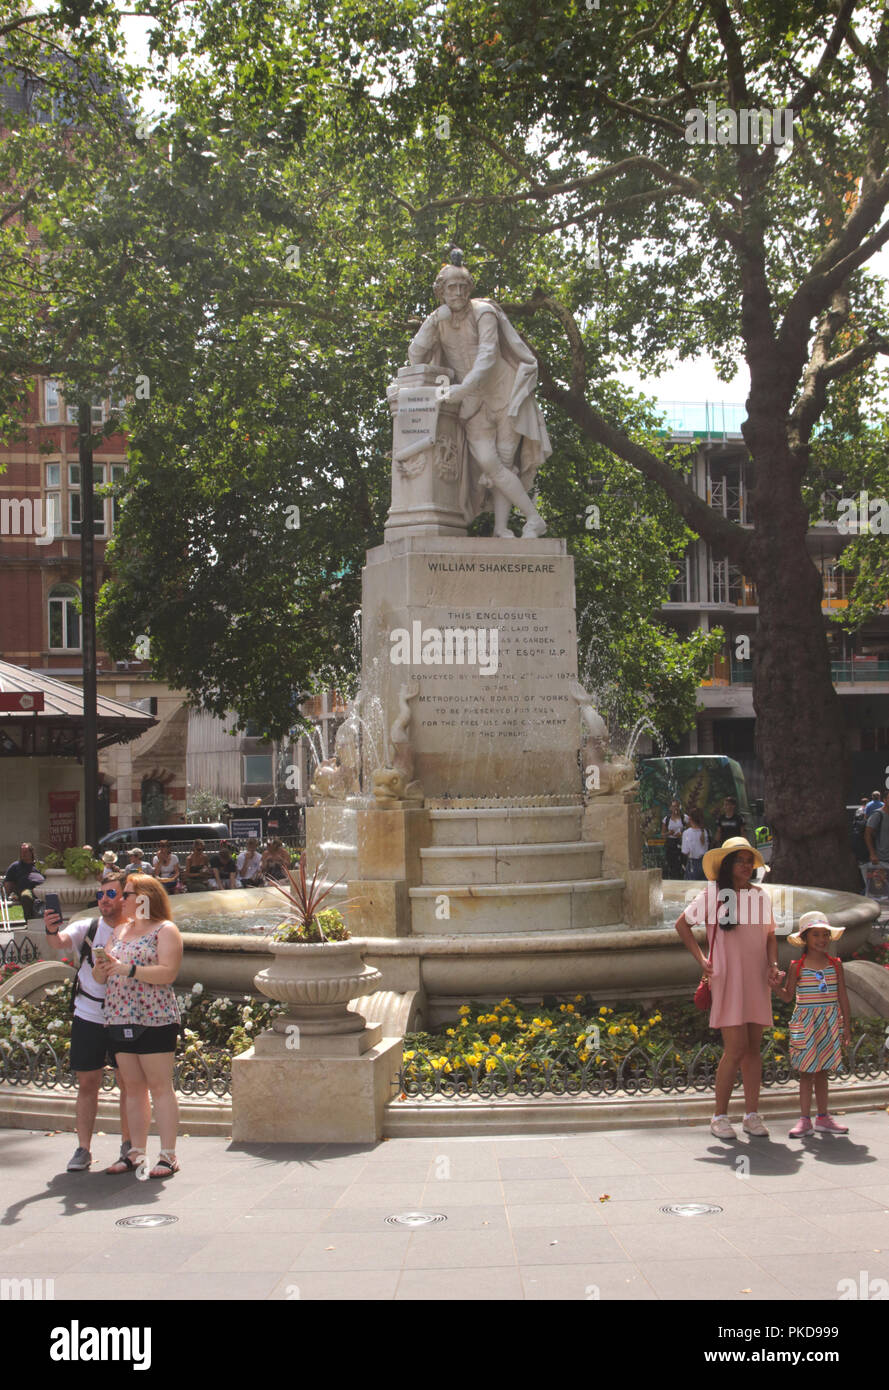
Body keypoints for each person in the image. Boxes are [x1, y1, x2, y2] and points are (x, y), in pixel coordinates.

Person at [405, 252, 551, 538]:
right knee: (489, 462)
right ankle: (533, 518)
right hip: (472, 405)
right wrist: (432, 322)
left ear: (469, 289)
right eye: (451, 288)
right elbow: (414, 355)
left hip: (505, 395)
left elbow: (487, 356)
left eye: (462, 287)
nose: (458, 293)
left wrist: (462, 389)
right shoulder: (440, 320)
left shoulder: (484, 312)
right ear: (441, 292)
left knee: (505, 462)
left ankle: (500, 528)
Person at [673, 836, 783, 1140]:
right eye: (740, 860)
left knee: (752, 1050)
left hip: (757, 978)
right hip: (727, 978)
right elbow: (682, 924)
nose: (746, 866)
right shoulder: (714, 894)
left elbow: (770, 936)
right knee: (734, 1049)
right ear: (727, 864)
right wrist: (702, 959)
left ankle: (751, 1115)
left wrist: (773, 965)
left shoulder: (760, 896)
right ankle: (719, 1116)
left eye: (750, 861)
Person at [92, 874, 183, 1178]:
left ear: (145, 898)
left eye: (127, 894)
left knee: (159, 1086)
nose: (122, 900)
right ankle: (135, 1152)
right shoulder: (119, 931)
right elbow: (100, 977)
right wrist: (101, 968)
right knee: (132, 1087)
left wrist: (127, 969)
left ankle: (168, 1155)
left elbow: (167, 973)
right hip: (119, 1015)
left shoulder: (165, 930)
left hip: (154, 1017)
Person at [42, 876, 131, 1172]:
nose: (103, 898)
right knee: (87, 1083)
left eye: (110, 893)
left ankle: (129, 1145)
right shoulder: (88, 927)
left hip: (123, 1016)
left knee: (127, 1083)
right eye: (100, 893)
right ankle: (83, 1148)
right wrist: (51, 928)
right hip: (88, 1014)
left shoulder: (134, 930)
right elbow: (59, 942)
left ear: (123, 897)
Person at [776, 910, 851, 1136]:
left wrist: (847, 1025)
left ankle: (823, 1117)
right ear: (805, 938)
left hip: (828, 1023)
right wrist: (773, 986)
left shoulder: (835, 965)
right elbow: (788, 996)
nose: (822, 939)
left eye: (825, 934)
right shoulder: (797, 967)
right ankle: (804, 1118)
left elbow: (843, 996)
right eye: (816, 934)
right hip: (806, 1024)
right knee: (806, 1072)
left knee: (823, 1071)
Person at [3, 842, 45, 919]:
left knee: (51, 896)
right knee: (26, 896)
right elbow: (8, 882)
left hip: (42, 890)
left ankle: (46, 920)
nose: (23, 854)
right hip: (26, 890)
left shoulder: (40, 865)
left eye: (25, 852)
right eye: (21, 852)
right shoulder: (15, 866)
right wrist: (7, 894)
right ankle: (30, 921)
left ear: (32, 852)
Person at [863, 801, 889, 899]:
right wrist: (872, 853)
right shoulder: (878, 815)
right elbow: (867, 834)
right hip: (881, 859)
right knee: (877, 892)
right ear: (885, 800)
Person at [681, 808, 709, 880]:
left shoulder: (686, 833)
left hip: (692, 863)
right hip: (705, 863)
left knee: (691, 887)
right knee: (703, 887)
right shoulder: (705, 831)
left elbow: (685, 851)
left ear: (690, 819)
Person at [661, 799, 686, 880]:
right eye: (673, 806)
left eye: (677, 806)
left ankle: (681, 877)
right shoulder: (667, 819)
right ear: (670, 808)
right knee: (671, 863)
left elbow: (690, 831)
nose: (675, 808)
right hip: (670, 843)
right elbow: (663, 835)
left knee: (681, 862)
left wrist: (682, 835)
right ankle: (672, 878)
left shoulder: (684, 818)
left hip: (680, 842)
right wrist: (669, 833)